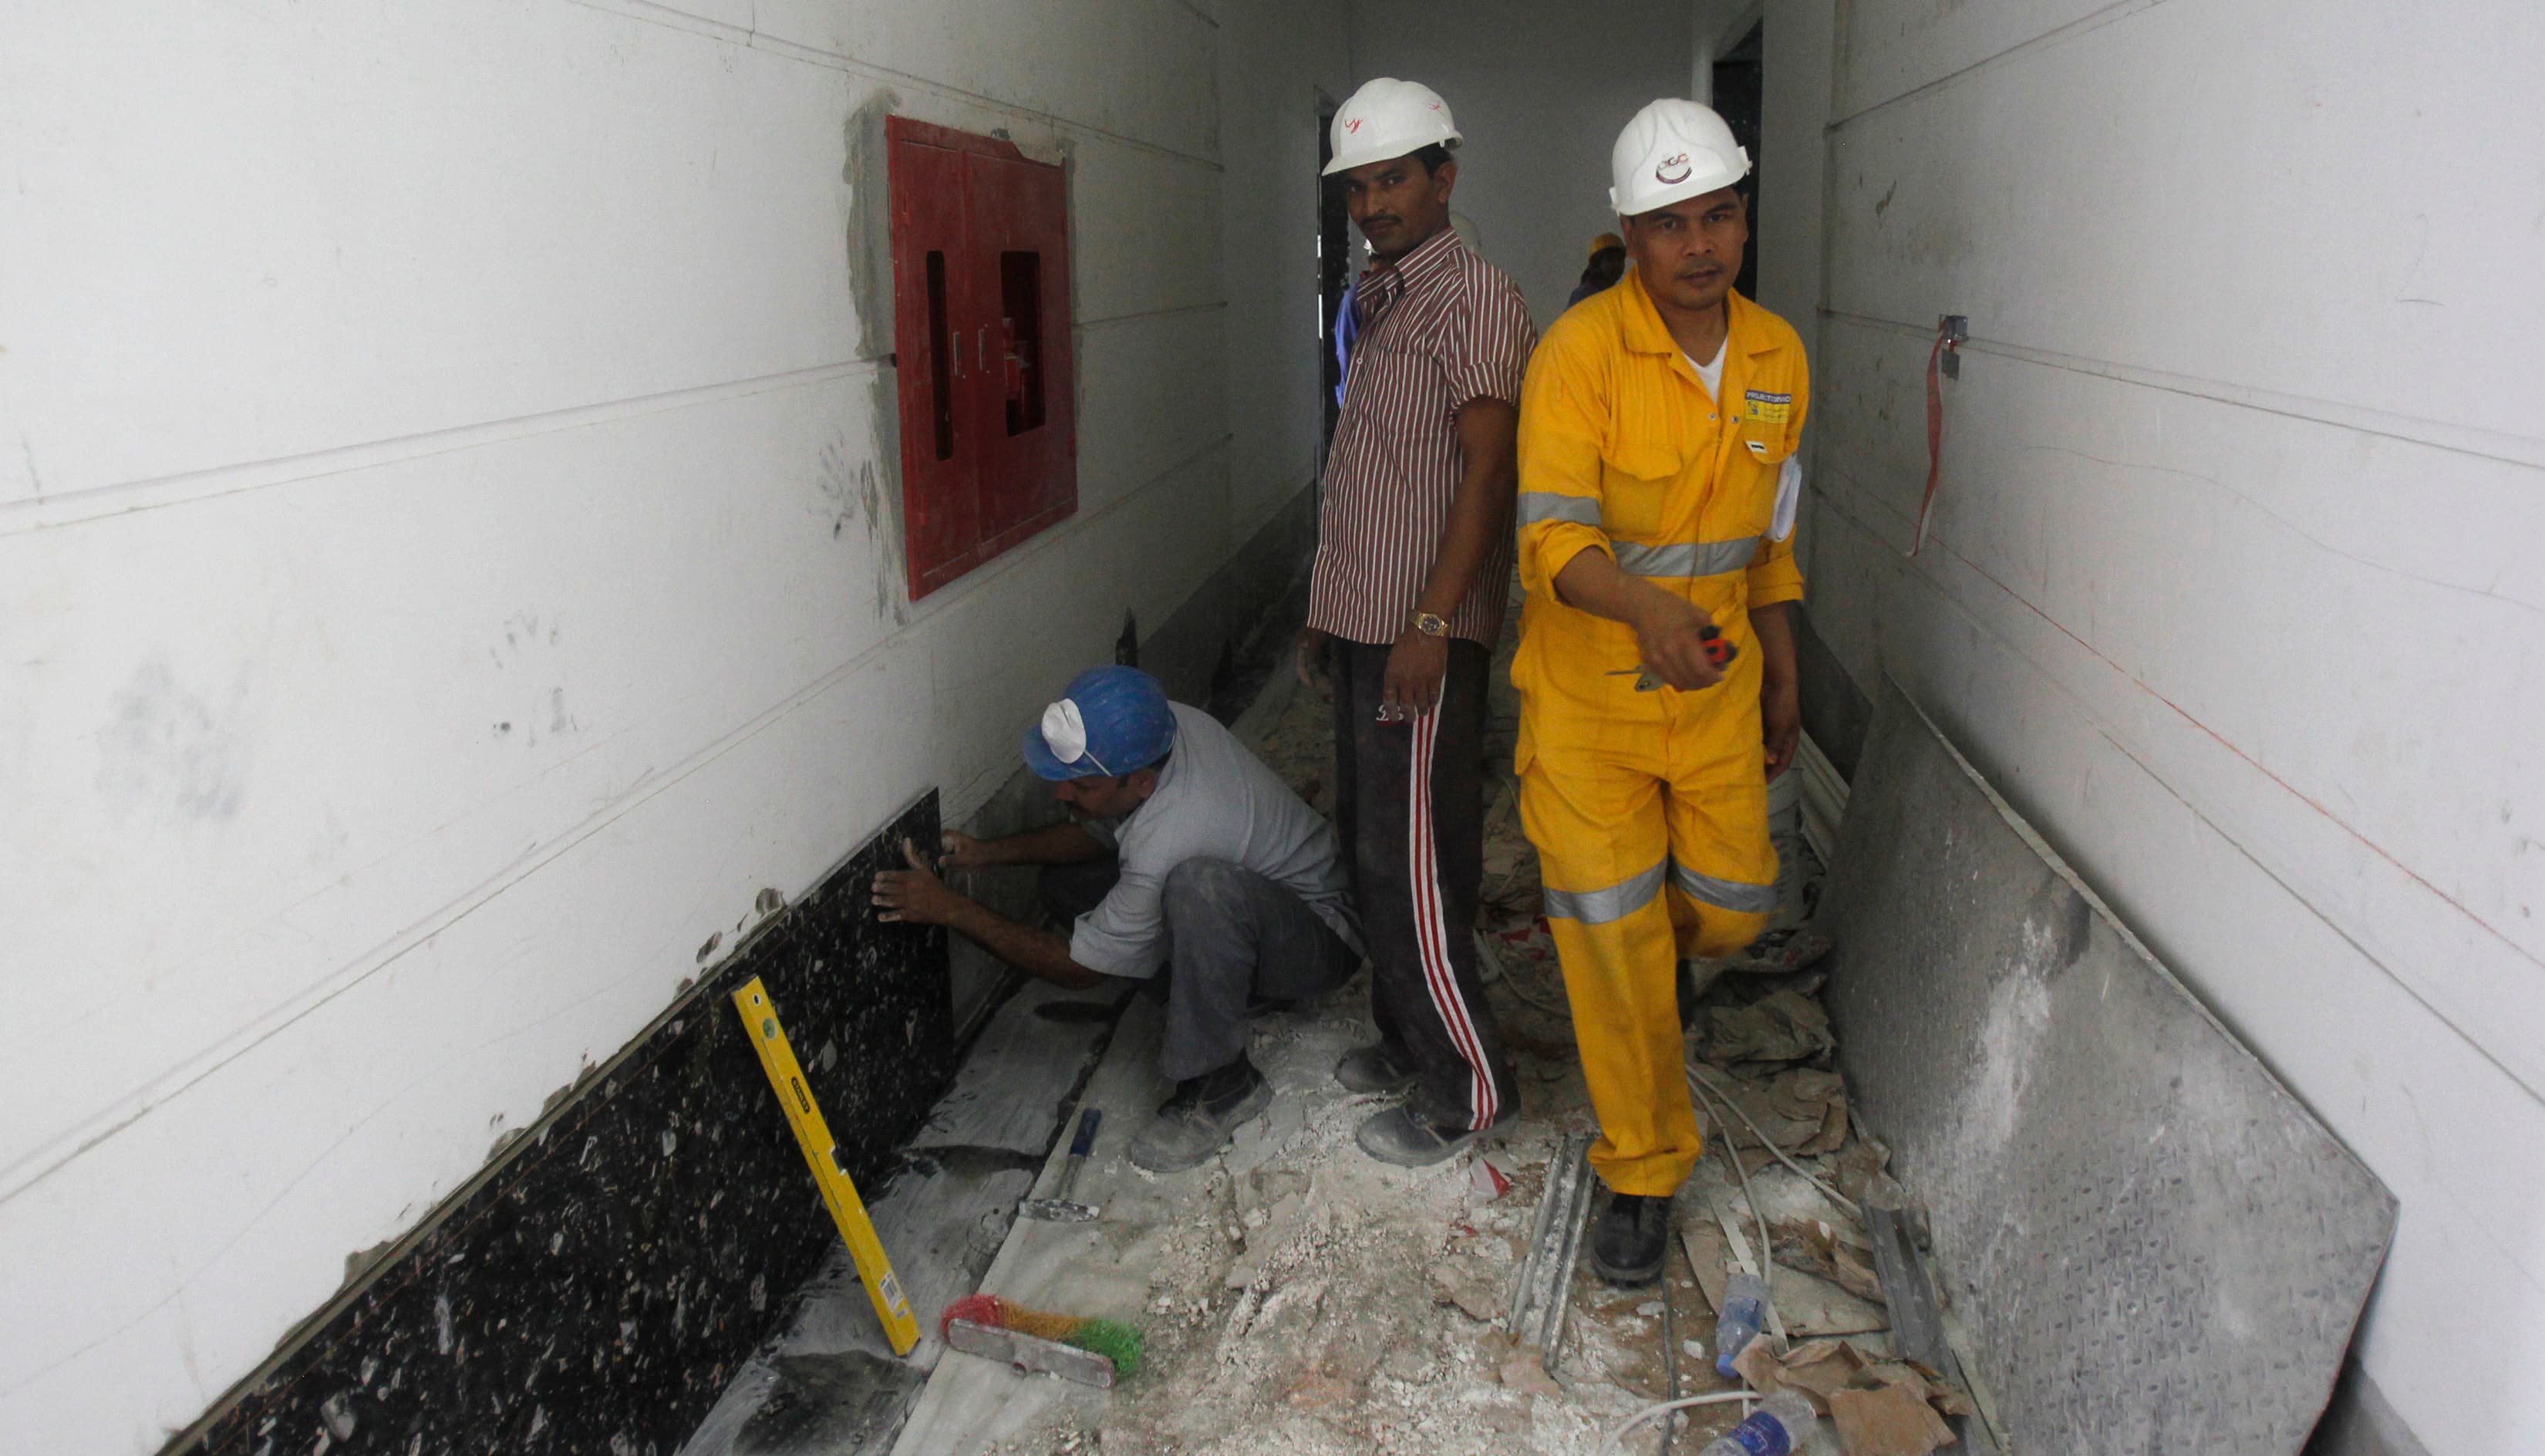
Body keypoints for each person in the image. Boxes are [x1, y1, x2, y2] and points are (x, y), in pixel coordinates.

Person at [1510, 99, 1810, 1284]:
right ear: (1627, 234)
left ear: (1743, 219)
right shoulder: (1578, 357)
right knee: (1614, 932)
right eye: (1670, 222)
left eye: (1720, 215)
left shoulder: (1780, 352)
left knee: (1736, 908)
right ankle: (1641, 1165)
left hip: (1718, 694)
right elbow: (1549, 542)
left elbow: (1771, 537)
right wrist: (1646, 611)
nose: (1700, 244)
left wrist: (1784, 667)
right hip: (1591, 710)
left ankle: (1645, 991)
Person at [1296, 76, 1535, 1167]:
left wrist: (1434, 622)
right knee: (1369, 846)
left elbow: (1490, 473)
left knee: (1416, 867)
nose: (1374, 203)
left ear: (1445, 175)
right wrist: (1328, 607)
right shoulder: (1386, 296)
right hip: (1364, 621)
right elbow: (1377, 474)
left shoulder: (1474, 297)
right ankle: (1406, 1036)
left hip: (1421, 635)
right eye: (1358, 186)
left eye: (1394, 178)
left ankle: (1466, 1089)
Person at [871, 666, 1362, 1173]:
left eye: (1079, 785)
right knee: (1069, 886)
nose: (1062, 796)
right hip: (1266, 909)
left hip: (1321, 936)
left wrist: (950, 909)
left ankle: (1222, 1084)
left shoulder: (1176, 832)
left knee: (1200, 888)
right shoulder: (1160, 730)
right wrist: (987, 853)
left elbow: (1082, 970)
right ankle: (1232, 991)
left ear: (1143, 782)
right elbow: (1109, 826)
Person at [1567, 231, 1627, 308]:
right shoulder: (1584, 294)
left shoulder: (1617, 295)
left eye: (1619, 260)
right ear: (1597, 264)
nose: (1616, 265)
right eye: (1610, 260)